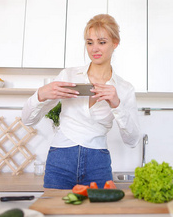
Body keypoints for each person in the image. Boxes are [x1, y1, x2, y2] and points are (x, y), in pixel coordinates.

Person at [21, 14, 141, 189]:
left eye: (102, 42)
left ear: (115, 43)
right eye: (89, 42)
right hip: (60, 159)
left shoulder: (124, 88)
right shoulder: (68, 75)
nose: (94, 49)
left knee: (97, 215)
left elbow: (132, 140)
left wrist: (117, 104)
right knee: (55, 214)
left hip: (98, 163)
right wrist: (41, 94)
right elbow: (28, 120)